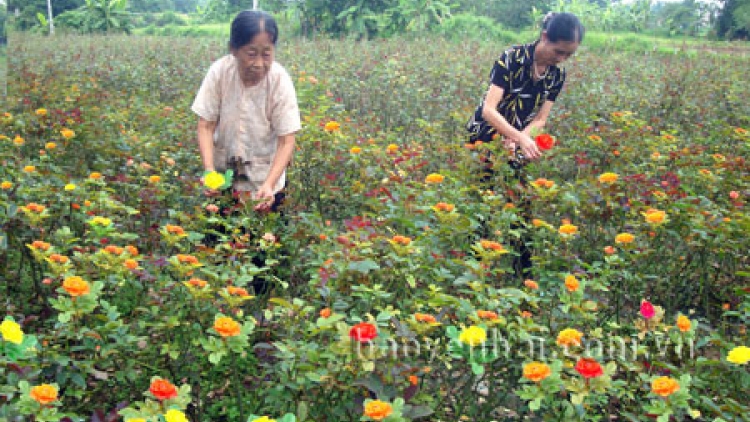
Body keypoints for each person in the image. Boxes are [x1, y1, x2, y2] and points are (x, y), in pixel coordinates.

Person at [465, 12, 584, 279]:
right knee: (481, 205)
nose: (561, 59)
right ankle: (474, 274)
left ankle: (523, 278)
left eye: (568, 55)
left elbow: (541, 118)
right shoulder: (511, 58)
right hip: (484, 138)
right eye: (558, 51)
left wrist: (521, 139)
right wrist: (517, 138)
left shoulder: (556, 75)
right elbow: (488, 110)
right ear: (544, 37)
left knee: (520, 206)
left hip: (517, 140)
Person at [192, 10, 301, 293]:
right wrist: (209, 172)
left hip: (266, 179)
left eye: (267, 53)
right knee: (217, 248)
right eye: (251, 53)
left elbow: (286, 139)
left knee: (262, 257)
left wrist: (269, 185)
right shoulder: (219, 73)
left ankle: (261, 318)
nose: (259, 63)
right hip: (224, 176)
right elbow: (205, 125)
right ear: (234, 49)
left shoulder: (279, 80)